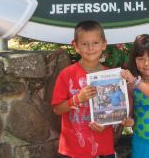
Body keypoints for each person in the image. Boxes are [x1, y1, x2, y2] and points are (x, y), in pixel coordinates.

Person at [51, 20, 133, 158]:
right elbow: (57, 109)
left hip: (103, 148)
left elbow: (116, 112)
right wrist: (77, 99)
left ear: (104, 44)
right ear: (76, 46)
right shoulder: (67, 74)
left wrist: (106, 125)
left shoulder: (112, 76)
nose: (90, 48)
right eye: (84, 44)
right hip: (74, 150)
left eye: (95, 43)